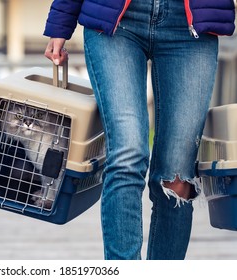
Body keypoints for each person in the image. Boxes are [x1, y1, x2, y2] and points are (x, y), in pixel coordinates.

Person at [43, 0, 235, 260]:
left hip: (190, 27)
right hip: (116, 23)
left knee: (176, 177)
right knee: (127, 155)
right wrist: (60, 24)